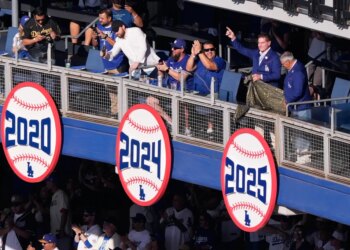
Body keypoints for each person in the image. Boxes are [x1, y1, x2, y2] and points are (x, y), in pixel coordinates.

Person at [185, 40, 226, 135]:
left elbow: (209, 66)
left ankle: (210, 130)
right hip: (198, 93)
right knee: (184, 101)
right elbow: (188, 68)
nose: (209, 52)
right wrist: (193, 54)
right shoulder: (199, 60)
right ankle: (188, 129)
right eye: (206, 50)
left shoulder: (219, 60)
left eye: (212, 49)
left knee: (208, 104)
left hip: (213, 93)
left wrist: (200, 52)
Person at [280, 51, 312, 164]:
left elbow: (298, 91)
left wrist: (287, 100)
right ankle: (300, 154)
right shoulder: (292, 68)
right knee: (297, 132)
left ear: (288, 62)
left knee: (301, 131)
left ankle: (304, 157)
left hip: (302, 107)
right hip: (295, 107)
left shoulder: (298, 71)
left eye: (283, 64)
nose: (282, 66)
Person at [91, 8, 127, 74]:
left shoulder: (117, 27)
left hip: (117, 63)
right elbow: (95, 45)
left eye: (102, 18)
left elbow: (119, 46)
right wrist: (94, 38)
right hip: (102, 63)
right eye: (99, 18)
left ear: (109, 18)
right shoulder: (98, 26)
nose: (100, 20)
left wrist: (105, 37)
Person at [46, 176, 72, 250]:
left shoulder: (61, 194)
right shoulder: (53, 196)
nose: (46, 184)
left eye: (48, 181)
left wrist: (62, 229)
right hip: (55, 233)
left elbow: (64, 212)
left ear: (53, 182)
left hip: (63, 233)